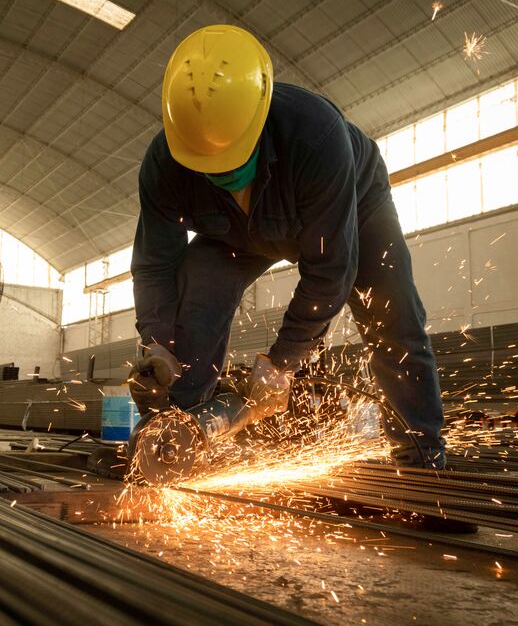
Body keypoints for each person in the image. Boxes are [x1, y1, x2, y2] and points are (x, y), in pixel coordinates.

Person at [128, 24, 446, 471]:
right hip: (234, 232)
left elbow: (331, 271)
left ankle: (420, 455)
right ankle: (175, 441)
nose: (221, 171)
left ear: (258, 119)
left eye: (231, 160)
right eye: (208, 165)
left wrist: (282, 363)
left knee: (393, 318)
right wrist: (157, 344)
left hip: (352, 202)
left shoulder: (318, 136)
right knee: (194, 295)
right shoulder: (165, 164)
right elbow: (155, 266)